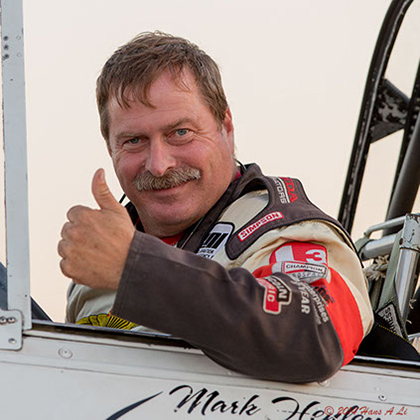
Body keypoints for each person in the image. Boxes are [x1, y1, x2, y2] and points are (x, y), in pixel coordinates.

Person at [58, 31, 373, 383]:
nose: (158, 164)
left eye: (180, 133)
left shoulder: (284, 232)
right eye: (134, 141)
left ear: (226, 125)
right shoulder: (100, 258)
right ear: (109, 147)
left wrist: (135, 266)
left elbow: (312, 339)